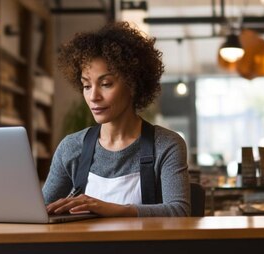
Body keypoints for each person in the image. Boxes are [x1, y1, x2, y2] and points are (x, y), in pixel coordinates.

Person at [42, 22, 190, 217]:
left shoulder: (166, 145)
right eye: (86, 86)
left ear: (133, 85)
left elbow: (179, 211)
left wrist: (109, 208)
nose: (93, 96)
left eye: (105, 84)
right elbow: (40, 212)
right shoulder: (71, 148)